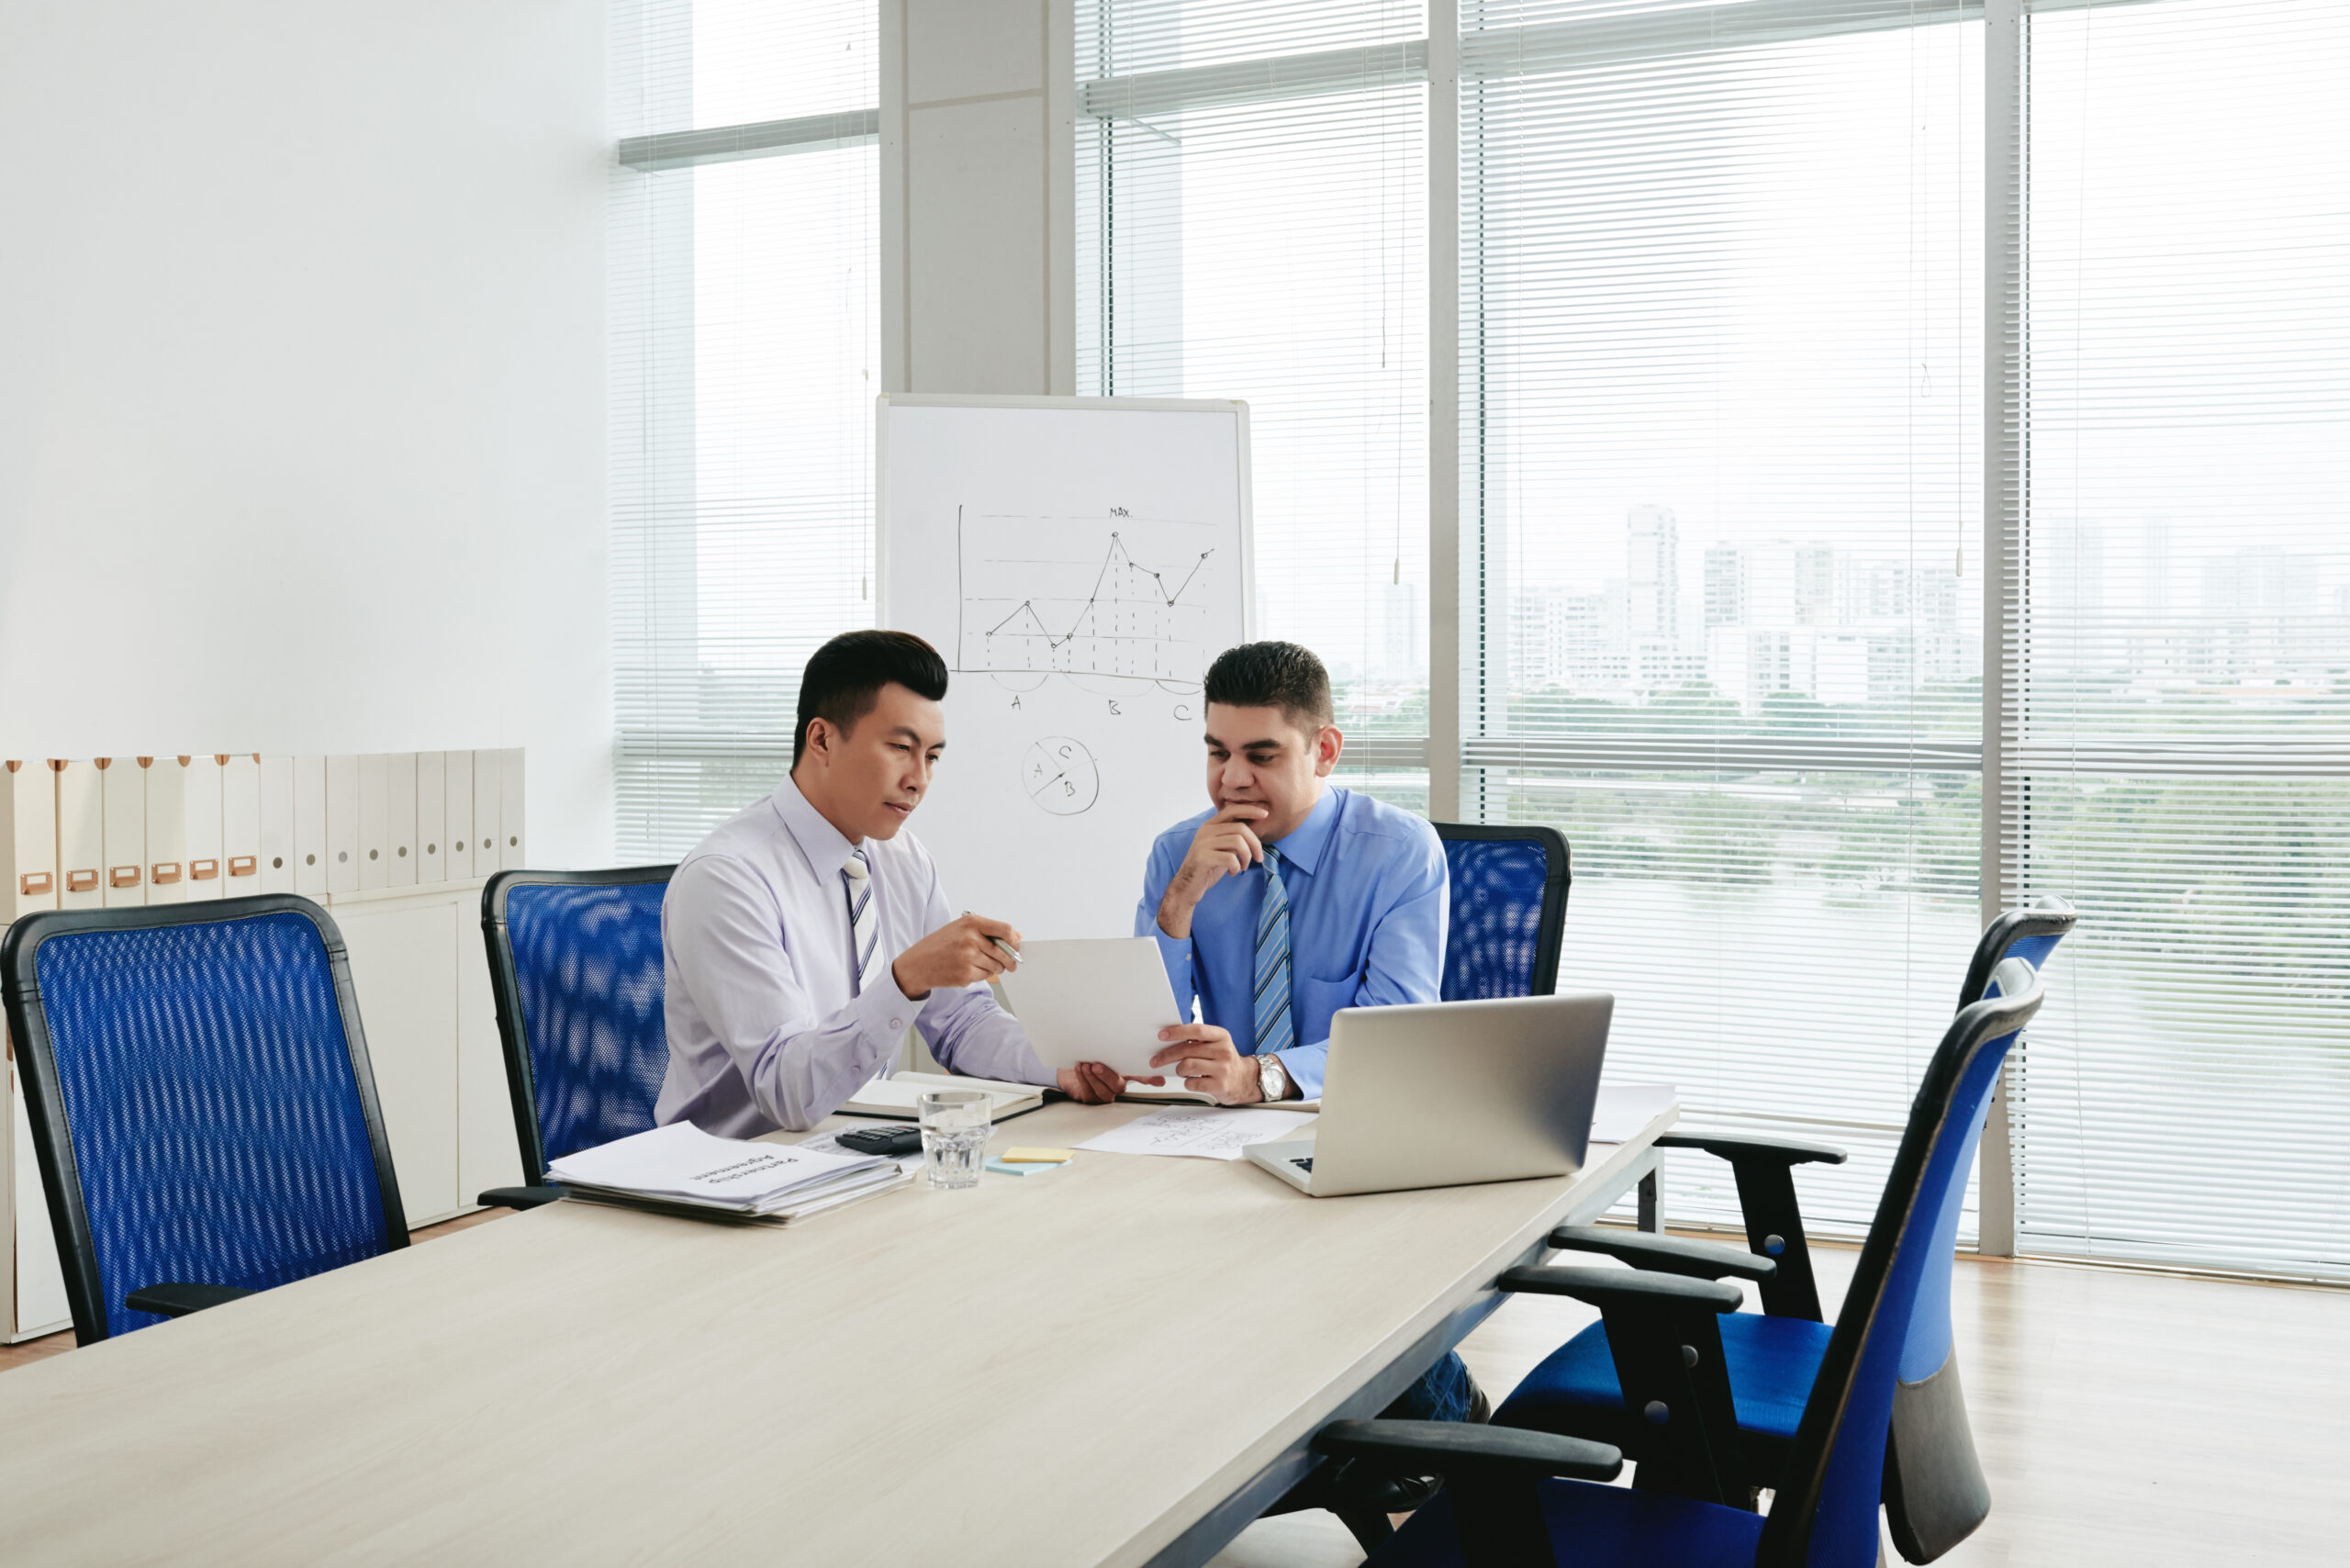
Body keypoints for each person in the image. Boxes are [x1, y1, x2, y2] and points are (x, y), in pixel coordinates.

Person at [1116, 639, 1484, 1426]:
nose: (1231, 779)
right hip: (1226, 1143)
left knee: (1330, 1269)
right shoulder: (1177, 854)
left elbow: (1393, 1038)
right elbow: (1142, 1038)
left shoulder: (1398, 853)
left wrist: (1262, 1075)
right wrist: (1179, 901)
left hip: (1362, 1128)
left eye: (1260, 754)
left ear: (1324, 750)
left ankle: (1445, 1421)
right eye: (1216, 753)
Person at [655, 629, 1118, 1137]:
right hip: (728, 1176)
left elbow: (963, 1025)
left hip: (862, 1159)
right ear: (822, 739)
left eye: (933, 757)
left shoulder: (901, 858)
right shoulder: (727, 879)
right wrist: (907, 979)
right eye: (901, 747)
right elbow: (788, 1092)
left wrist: (1061, 1067)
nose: (919, 778)